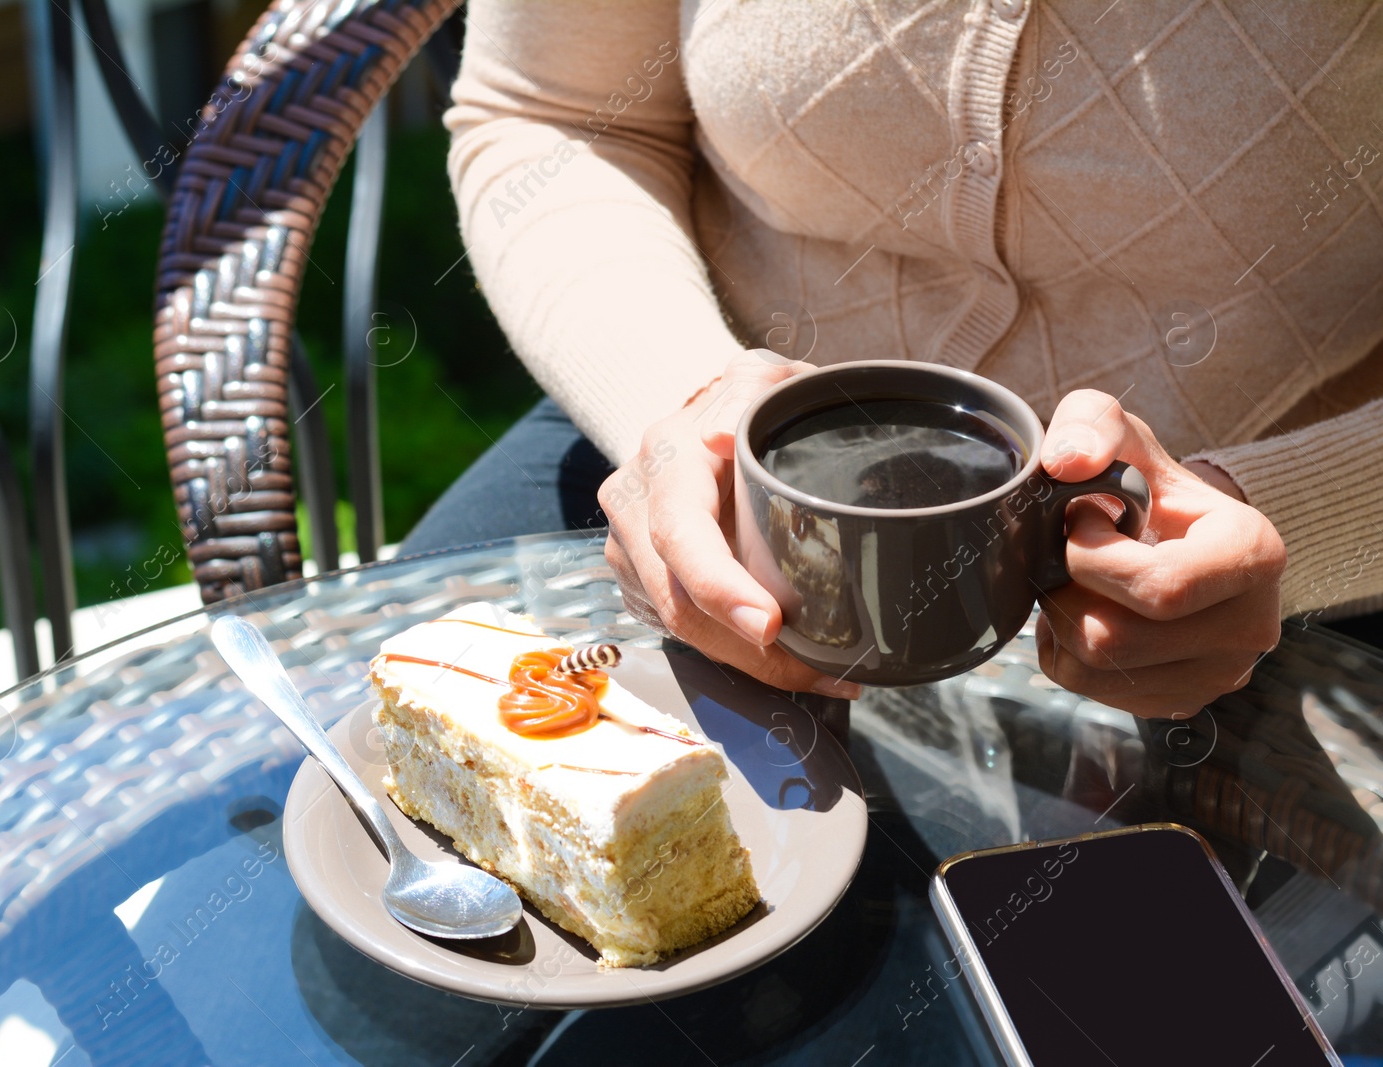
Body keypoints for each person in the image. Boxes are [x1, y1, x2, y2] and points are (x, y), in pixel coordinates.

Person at [402, 1, 1383, 719]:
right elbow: (558, 117)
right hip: (686, 440)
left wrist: (1294, 521)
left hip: (1268, 586)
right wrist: (684, 408)